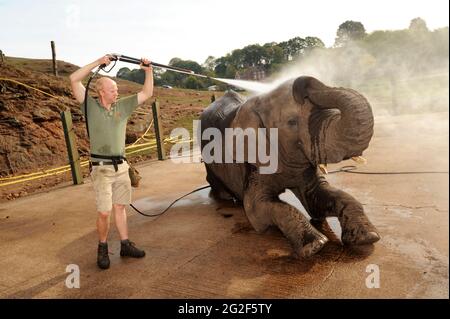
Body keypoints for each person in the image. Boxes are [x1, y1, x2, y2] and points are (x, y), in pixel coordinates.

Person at [69, 55, 153, 269]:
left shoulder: (122, 107)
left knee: (120, 207)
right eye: (113, 89)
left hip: (122, 167)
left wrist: (148, 70)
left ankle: (125, 245)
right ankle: (103, 248)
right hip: (101, 169)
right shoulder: (89, 105)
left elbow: (147, 93)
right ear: (101, 92)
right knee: (104, 211)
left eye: (116, 89)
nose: (117, 92)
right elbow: (74, 79)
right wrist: (98, 62)